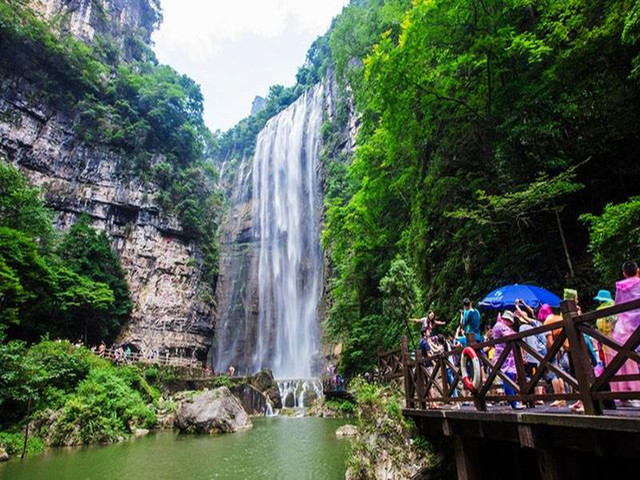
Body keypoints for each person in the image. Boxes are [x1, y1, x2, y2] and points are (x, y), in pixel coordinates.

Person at [611, 261, 640, 401]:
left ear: (624, 274)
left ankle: (629, 393)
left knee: (629, 357)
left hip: (626, 326)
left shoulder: (621, 286)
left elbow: (618, 304)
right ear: (637, 270)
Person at [492, 311, 524, 410]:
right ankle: (513, 402)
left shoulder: (501, 325)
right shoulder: (500, 326)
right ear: (507, 320)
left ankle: (513, 401)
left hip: (506, 357)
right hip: (503, 357)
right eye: (511, 322)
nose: (511, 325)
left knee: (510, 378)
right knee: (508, 378)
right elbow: (509, 335)